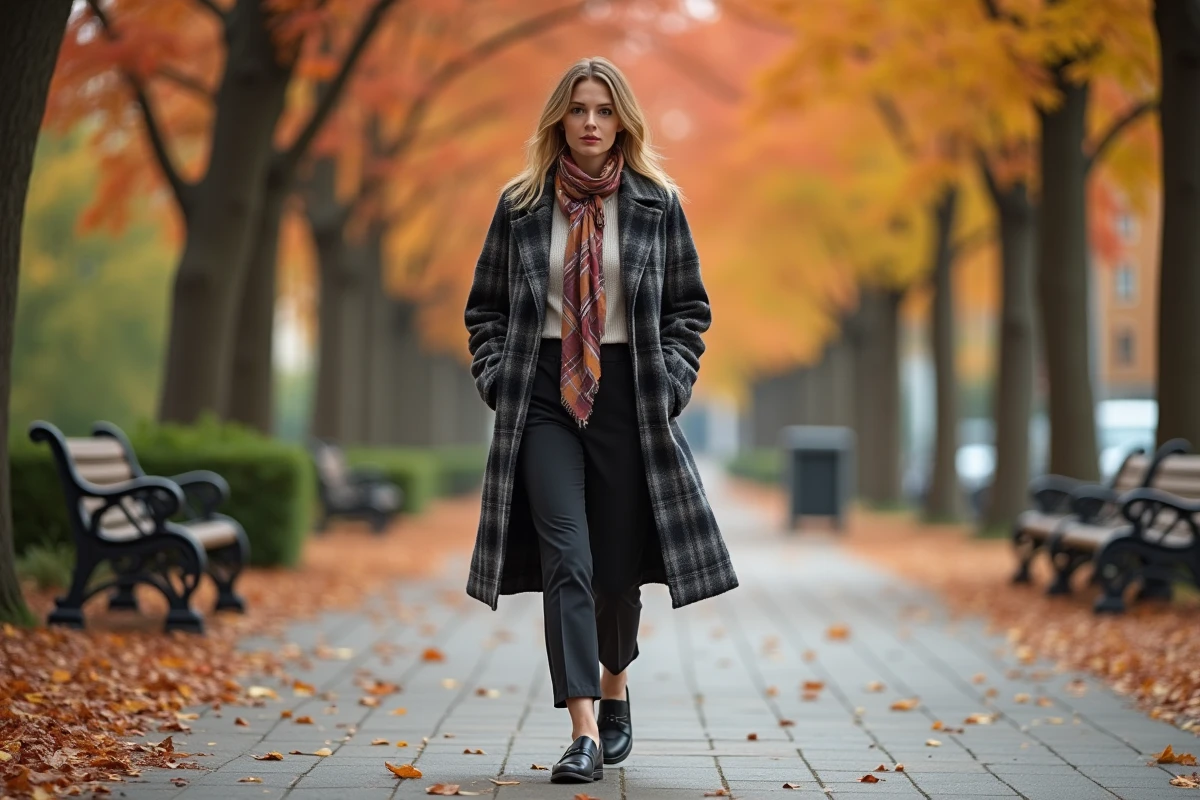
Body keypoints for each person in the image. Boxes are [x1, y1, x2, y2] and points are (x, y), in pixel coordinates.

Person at [463, 56, 738, 784]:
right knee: (568, 559)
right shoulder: (521, 205)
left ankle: (616, 685)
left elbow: (690, 311)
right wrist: (499, 379)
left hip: (627, 397)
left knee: (618, 572)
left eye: (604, 111)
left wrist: (671, 383)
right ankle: (582, 727)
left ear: (623, 121)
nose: (590, 123)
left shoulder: (656, 203)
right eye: (579, 109)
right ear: (560, 117)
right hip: (544, 395)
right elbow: (484, 310)